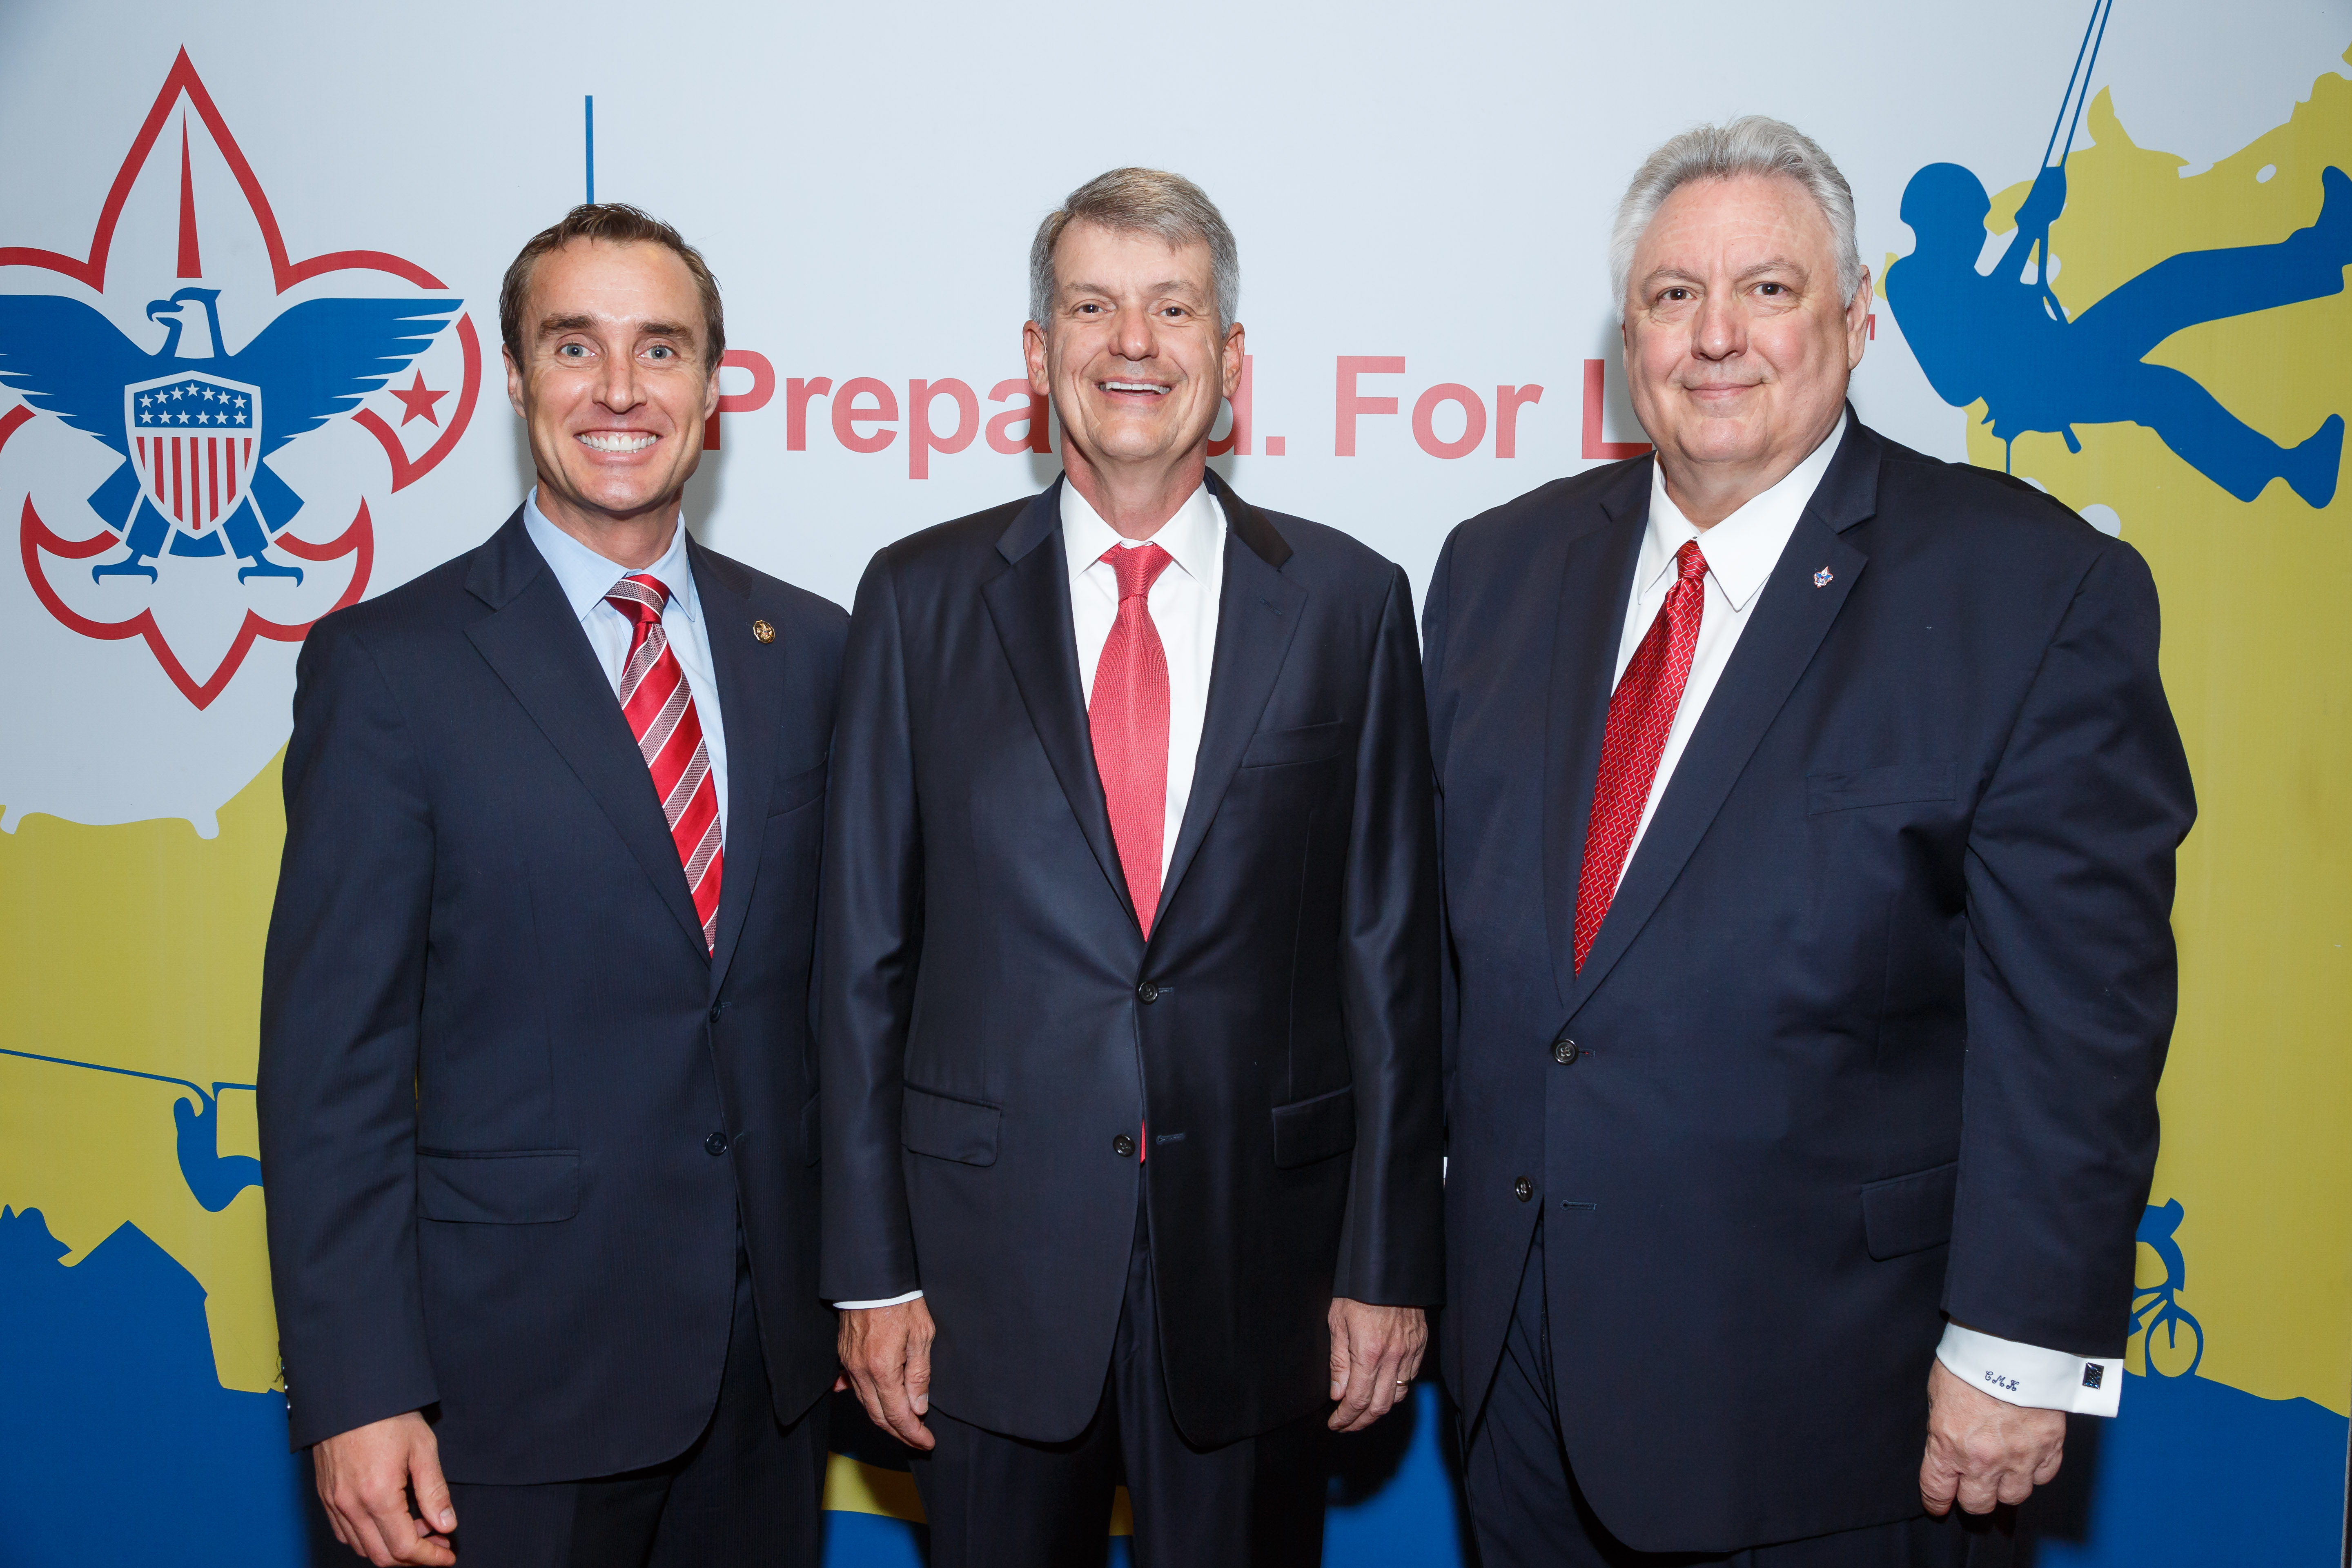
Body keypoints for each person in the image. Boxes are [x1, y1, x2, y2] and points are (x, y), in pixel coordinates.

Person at [1423, 118, 2195, 1566]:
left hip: (1841, 1409)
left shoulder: (2030, 590)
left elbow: (2081, 1019)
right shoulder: (1497, 569)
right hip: (1524, 1385)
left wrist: (2017, 1348)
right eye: (1672, 297)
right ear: (1627, 335)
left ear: (1855, 321)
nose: (1716, 337)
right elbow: (1461, 970)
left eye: (1768, 291)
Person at [820, 167, 1443, 1567]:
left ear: (1231, 363)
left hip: (1261, 1277)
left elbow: (1391, 963)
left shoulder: (1349, 606)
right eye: (1092, 307)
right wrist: (873, 1270)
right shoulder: (917, 602)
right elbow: (862, 963)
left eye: (1174, 308)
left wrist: (1388, 1264)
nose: (1134, 343)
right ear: (1038, 359)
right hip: (981, 1287)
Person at [258, 204, 845, 1568]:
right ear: (514, 378)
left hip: (764, 1388)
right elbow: (328, 1073)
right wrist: (356, 1390)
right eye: (575, 348)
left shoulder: (814, 649)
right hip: (502, 1399)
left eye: (662, 349)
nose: (622, 391)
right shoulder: (389, 671)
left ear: (714, 388)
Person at [1887, 157, 2348, 506]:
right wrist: (2029, 229)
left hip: (2058, 367)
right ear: (1939, 221)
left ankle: (2288, 468)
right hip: (2049, 383)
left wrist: (2032, 227)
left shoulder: (1946, 280)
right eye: (1976, 223)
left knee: (2163, 380)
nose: (1983, 234)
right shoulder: (1911, 282)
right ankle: (2322, 255)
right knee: (2171, 295)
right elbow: (1957, 382)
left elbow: (1987, 310)